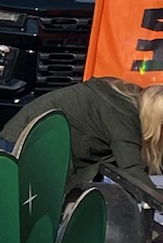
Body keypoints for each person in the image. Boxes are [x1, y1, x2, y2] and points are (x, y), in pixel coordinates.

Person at [15, 78, 163, 191]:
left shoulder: (128, 98)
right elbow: (132, 171)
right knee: (33, 214)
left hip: (31, 134)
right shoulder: (124, 116)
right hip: (31, 140)